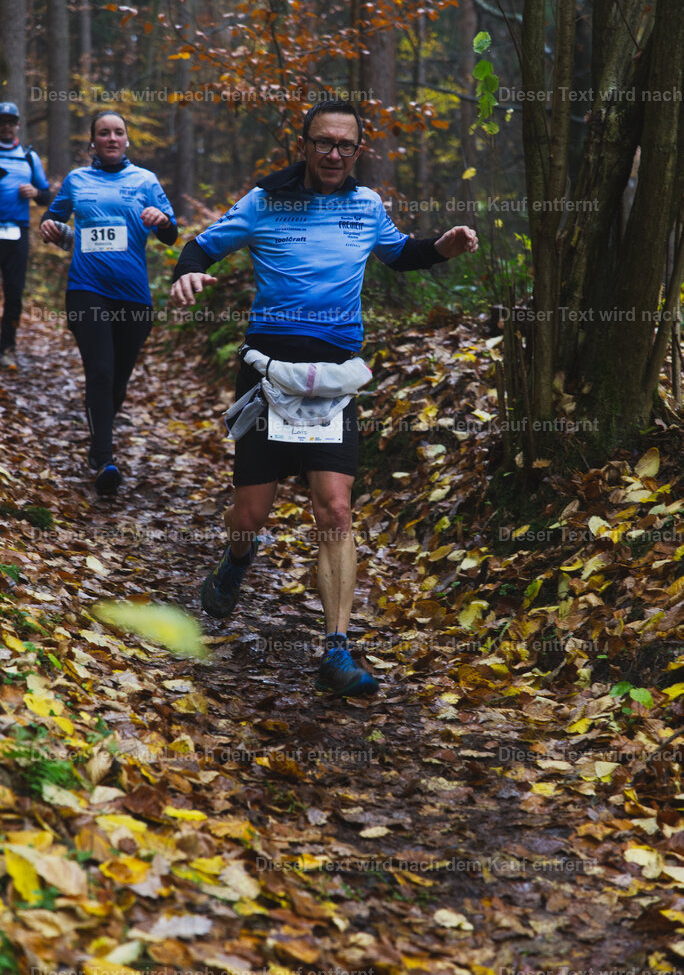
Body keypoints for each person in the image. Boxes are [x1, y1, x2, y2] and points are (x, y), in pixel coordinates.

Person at [170, 99, 478, 697]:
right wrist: (188, 271)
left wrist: (441, 247)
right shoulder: (265, 201)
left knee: (335, 508)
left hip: (334, 378)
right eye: (323, 143)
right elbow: (201, 246)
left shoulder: (366, 206)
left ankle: (336, 648)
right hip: (267, 373)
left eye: (346, 145)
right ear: (305, 145)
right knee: (251, 517)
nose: (334, 154)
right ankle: (235, 562)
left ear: (359, 151)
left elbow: (400, 256)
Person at [40, 111, 177, 495]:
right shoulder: (77, 180)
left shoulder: (146, 181)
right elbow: (53, 221)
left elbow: (171, 233)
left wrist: (162, 220)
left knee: (117, 382)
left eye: (119, 132)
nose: (112, 138)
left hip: (133, 295)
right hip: (86, 289)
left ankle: (99, 435)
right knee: (99, 371)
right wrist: (50, 228)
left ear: (128, 140)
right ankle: (104, 458)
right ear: (93, 141)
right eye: (104, 133)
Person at [0, 101, 50, 368]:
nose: (6, 126)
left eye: (10, 121)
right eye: (2, 121)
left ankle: (6, 347)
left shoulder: (29, 157)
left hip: (17, 232)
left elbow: (47, 196)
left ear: (17, 125)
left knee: (14, 293)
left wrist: (35, 193)